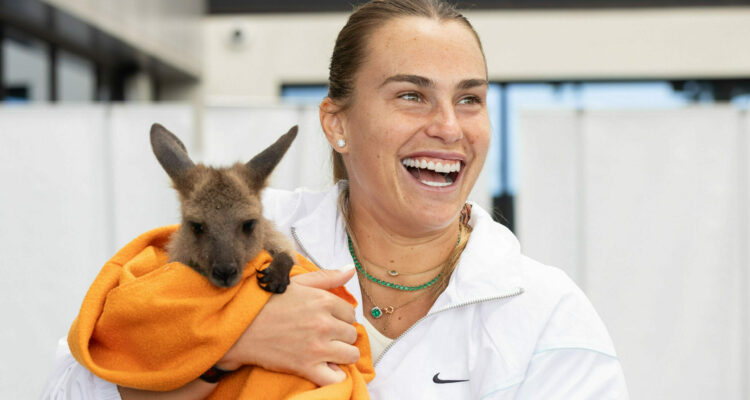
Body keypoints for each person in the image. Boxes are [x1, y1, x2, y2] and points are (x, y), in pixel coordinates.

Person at [43, 0, 629, 398]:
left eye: (470, 99)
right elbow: (72, 387)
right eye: (411, 95)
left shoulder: (544, 310)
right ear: (336, 122)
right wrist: (226, 343)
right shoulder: (243, 238)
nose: (449, 127)